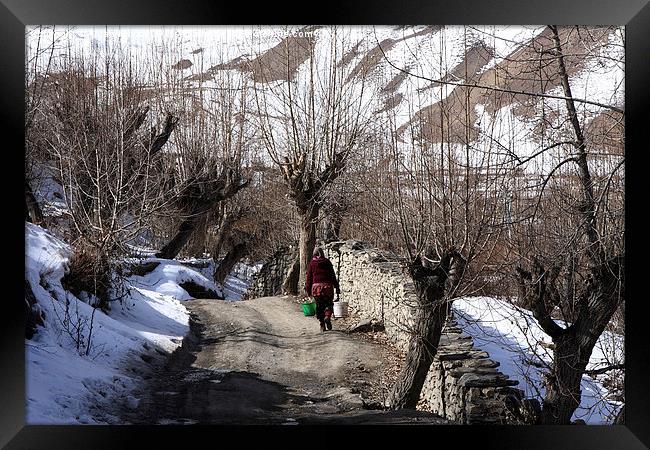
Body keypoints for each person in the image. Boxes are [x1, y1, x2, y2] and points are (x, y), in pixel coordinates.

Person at [305, 246, 340, 332]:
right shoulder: (327, 262)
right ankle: (327, 316)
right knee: (329, 304)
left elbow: (309, 278)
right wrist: (337, 287)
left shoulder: (312, 263)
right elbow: (332, 275)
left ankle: (322, 325)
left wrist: (308, 290)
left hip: (316, 288)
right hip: (328, 287)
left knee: (319, 306)